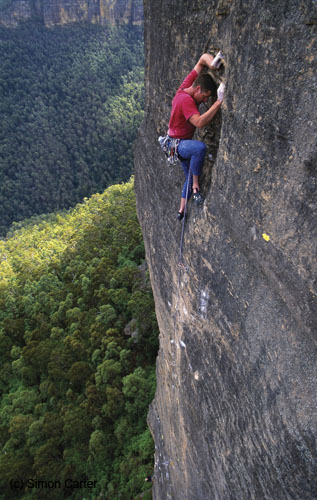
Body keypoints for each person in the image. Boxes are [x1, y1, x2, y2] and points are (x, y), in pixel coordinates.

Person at [167, 52, 225, 220]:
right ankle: (196, 188)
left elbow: (202, 59)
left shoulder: (186, 87)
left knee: (188, 174)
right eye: (205, 97)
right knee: (199, 148)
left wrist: (213, 65)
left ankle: (181, 210)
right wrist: (219, 102)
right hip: (178, 145)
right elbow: (199, 122)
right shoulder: (186, 101)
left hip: (175, 143)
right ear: (198, 89)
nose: (205, 101)